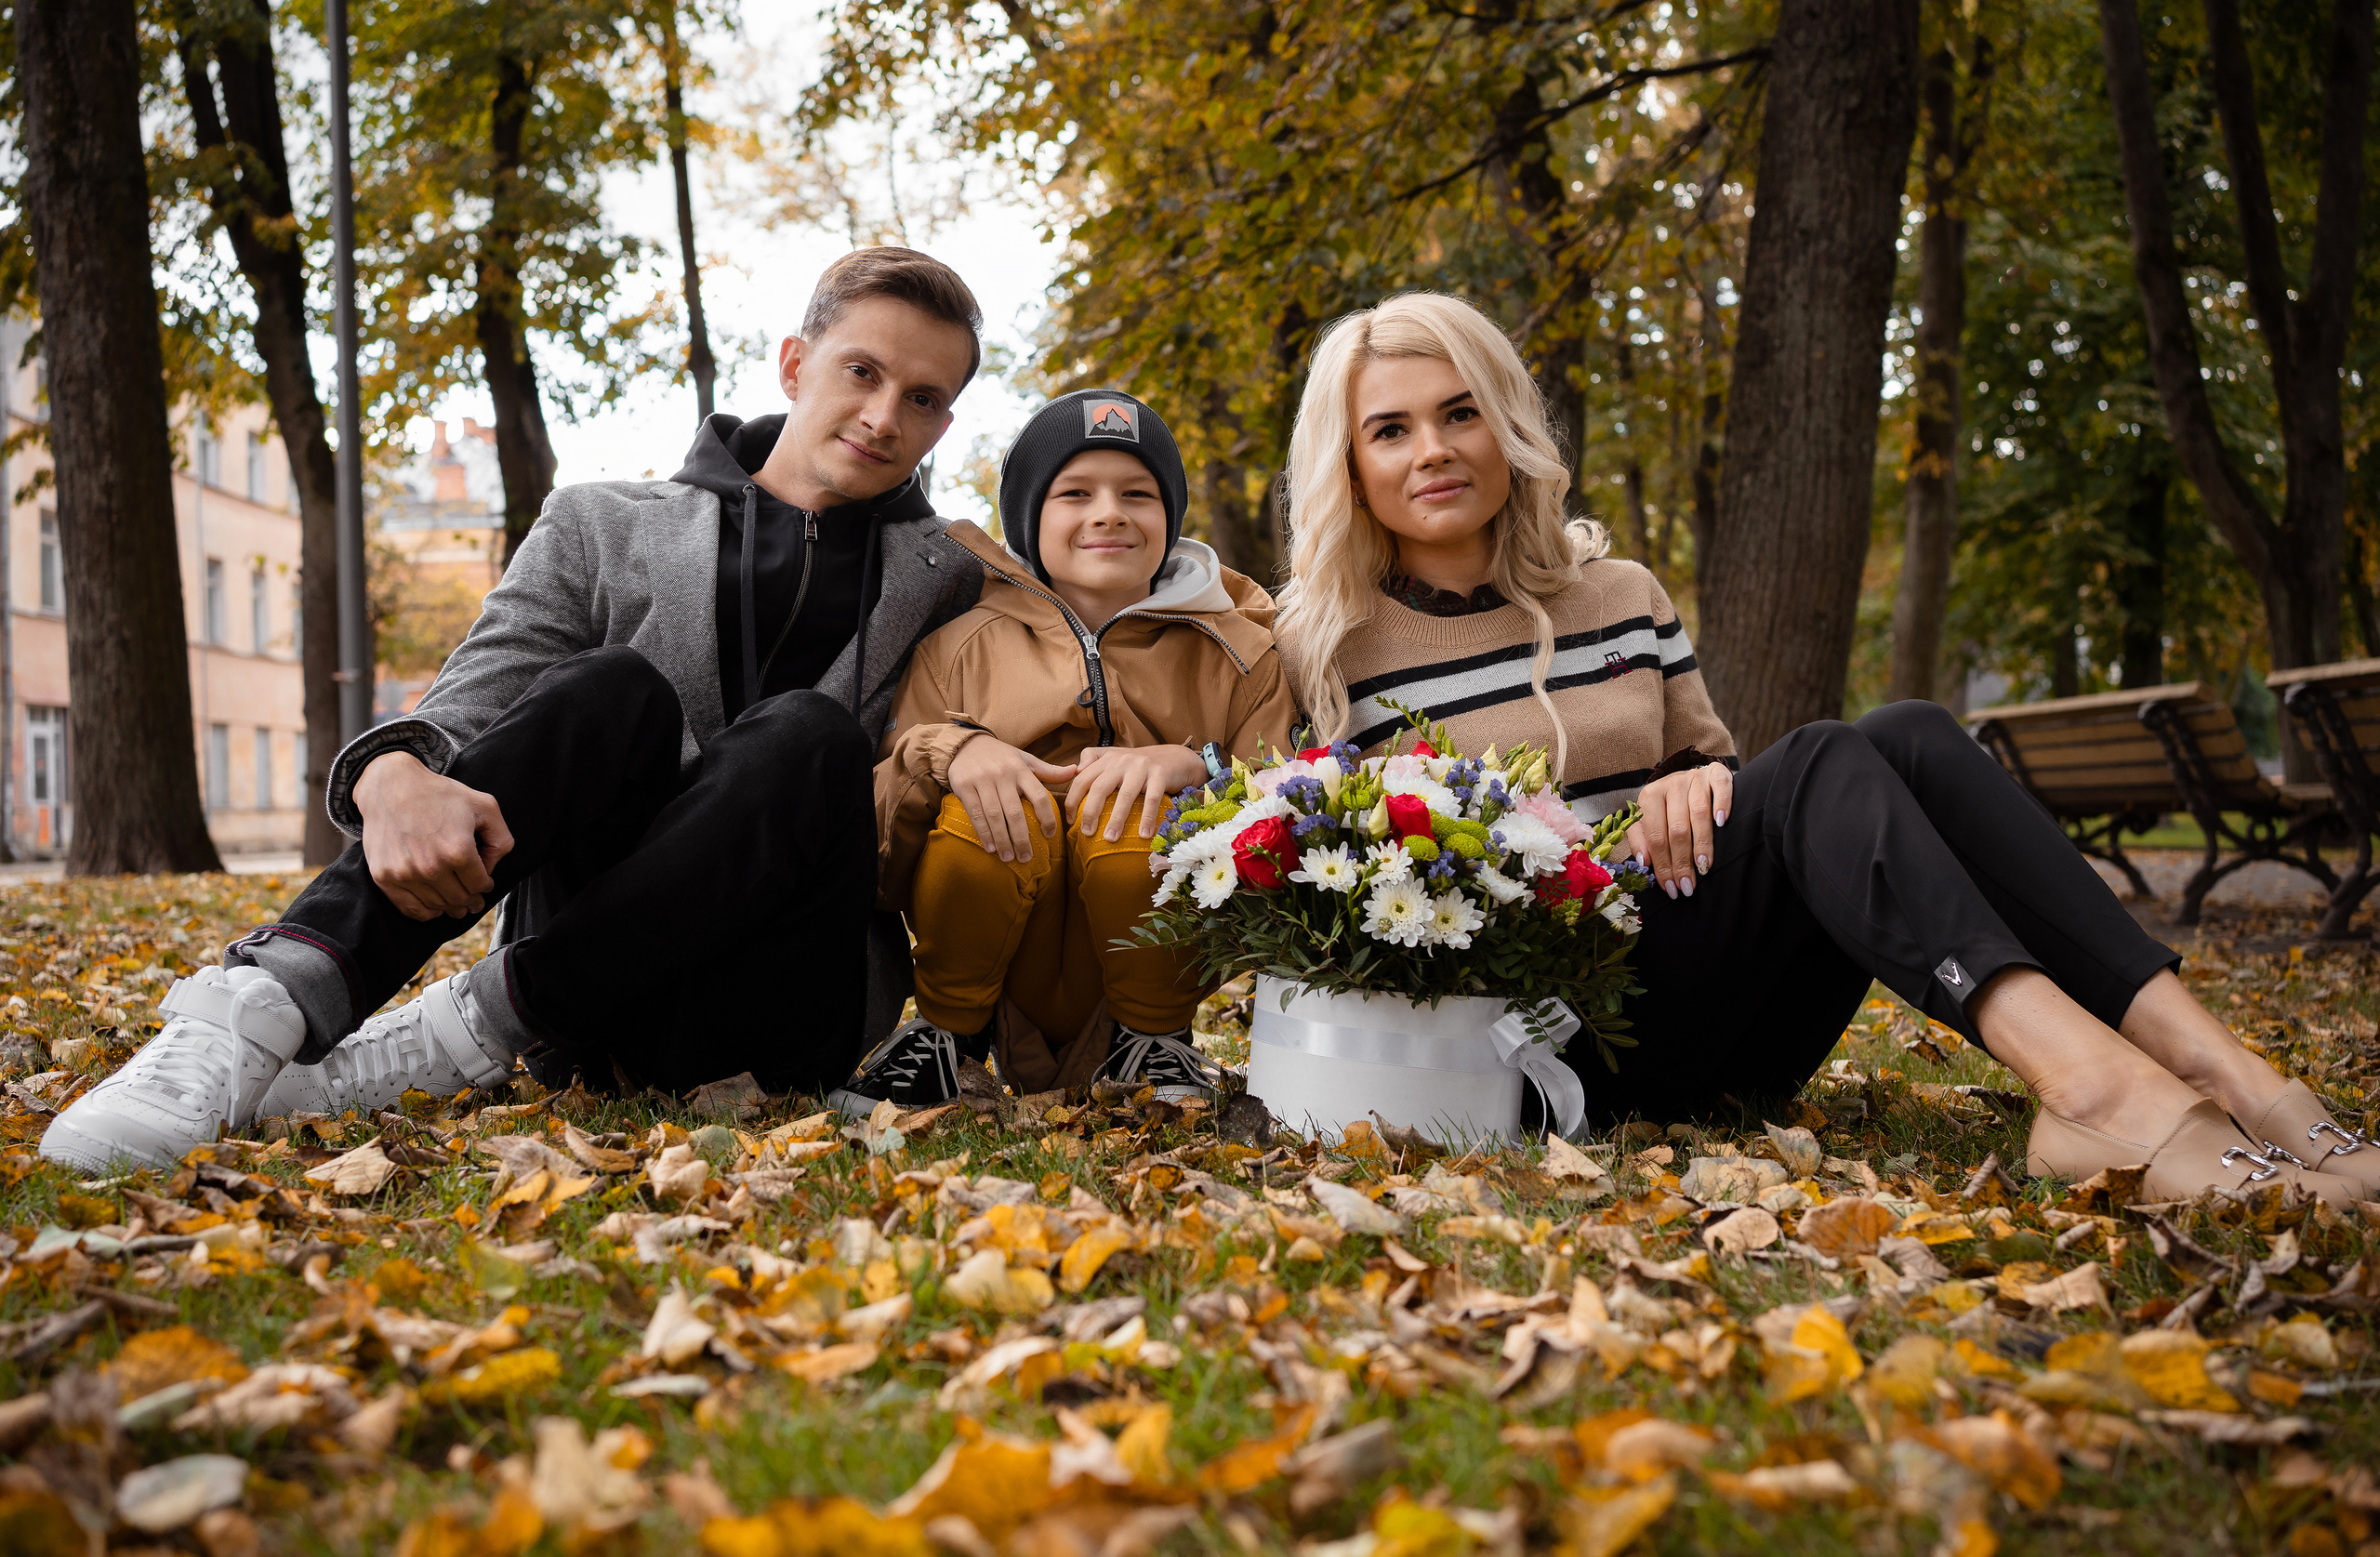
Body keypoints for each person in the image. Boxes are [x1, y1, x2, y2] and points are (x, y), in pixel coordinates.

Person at [1269, 291, 2374, 1203]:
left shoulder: (1619, 596)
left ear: (1503, 422)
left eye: (1458, 414)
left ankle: (2220, 1070)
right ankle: (2093, 1095)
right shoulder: (1324, 646)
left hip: (1716, 1010)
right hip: (1544, 1056)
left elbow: (1714, 784)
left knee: (1907, 736)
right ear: (1350, 463)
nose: (1433, 451)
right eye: (1391, 429)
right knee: (1817, 762)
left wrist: (1699, 778)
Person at [42, 247, 990, 1170]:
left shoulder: (952, 575)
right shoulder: (601, 521)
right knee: (614, 686)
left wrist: (993, 748)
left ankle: (464, 1024)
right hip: (580, 1004)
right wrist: (391, 772)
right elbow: (480, 687)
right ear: (794, 364)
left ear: (942, 426)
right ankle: (256, 1011)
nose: (880, 416)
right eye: (860, 372)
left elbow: (1085, 635)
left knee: (806, 731)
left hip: (774, 1012)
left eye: (920, 399)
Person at [831, 390, 1298, 1115]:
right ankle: (946, 1039)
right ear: (1029, 519)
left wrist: (1196, 765)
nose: (1109, 511)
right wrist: (948, 750)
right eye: (1075, 493)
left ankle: (1155, 1039)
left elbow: (1283, 800)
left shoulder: (1239, 649)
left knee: (1135, 815)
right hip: (990, 947)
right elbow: (884, 839)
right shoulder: (958, 644)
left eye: (1137, 494)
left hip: (1146, 951)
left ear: (1169, 518)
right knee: (991, 806)